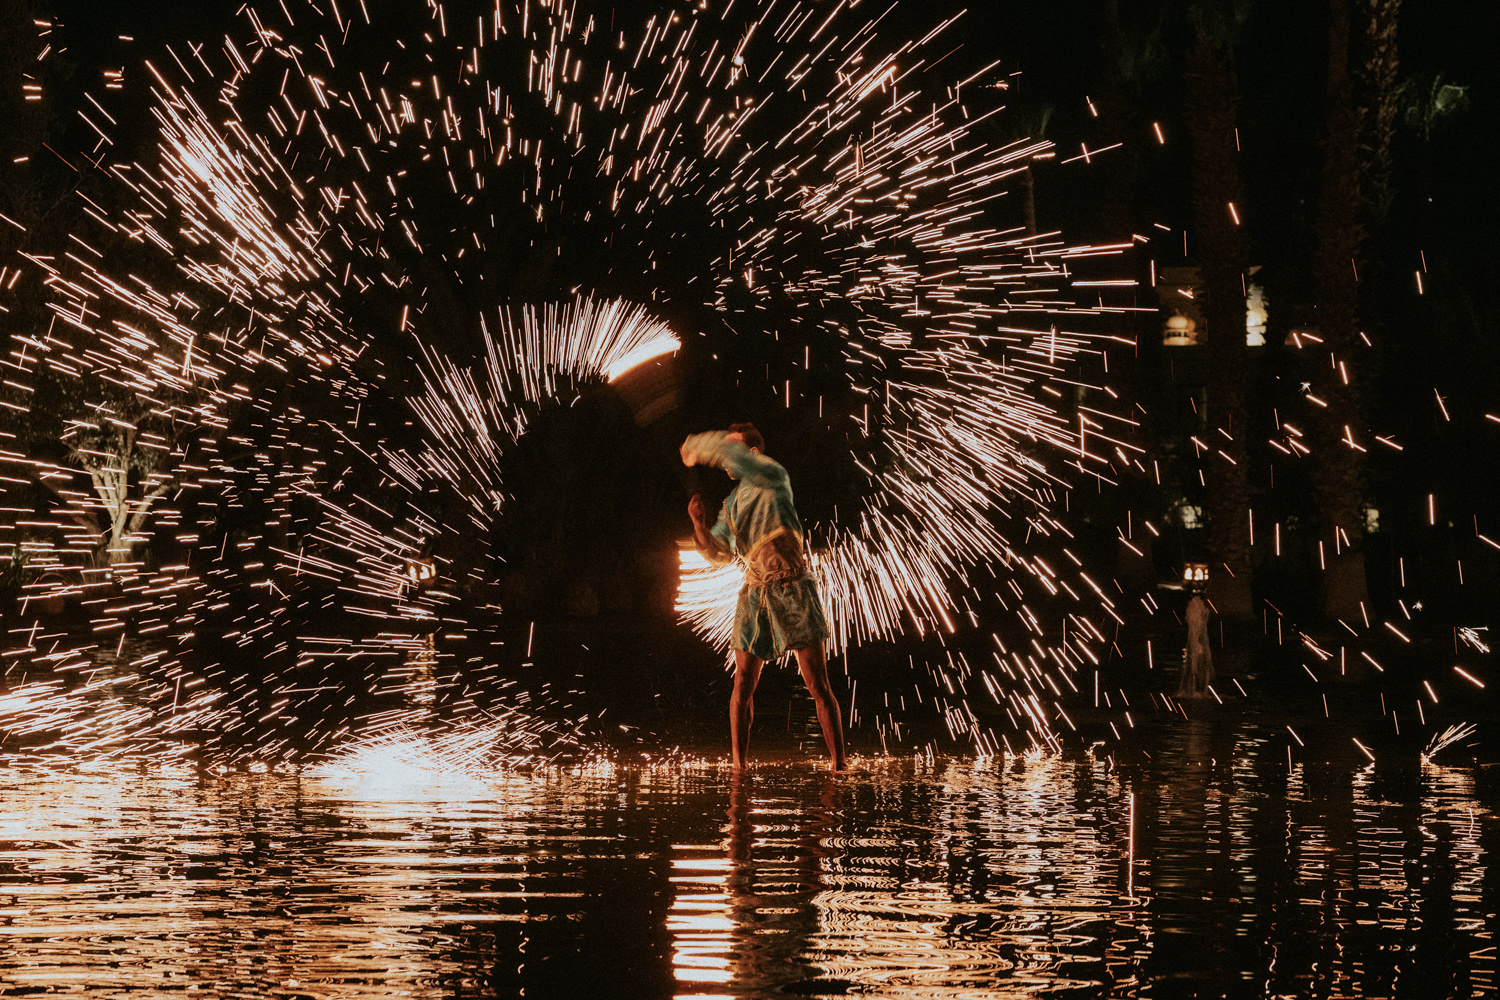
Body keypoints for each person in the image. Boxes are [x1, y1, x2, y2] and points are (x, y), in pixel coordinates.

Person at [681, 423, 846, 771]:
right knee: (742, 680)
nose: (727, 458)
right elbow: (719, 552)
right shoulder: (732, 504)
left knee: (816, 680)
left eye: (733, 450)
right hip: (756, 593)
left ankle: (839, 765)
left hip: (794, 586)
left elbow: (729, 453)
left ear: (752, 454)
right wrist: (698, 525)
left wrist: (698, 445)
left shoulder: (772, 474)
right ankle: (739, 767)